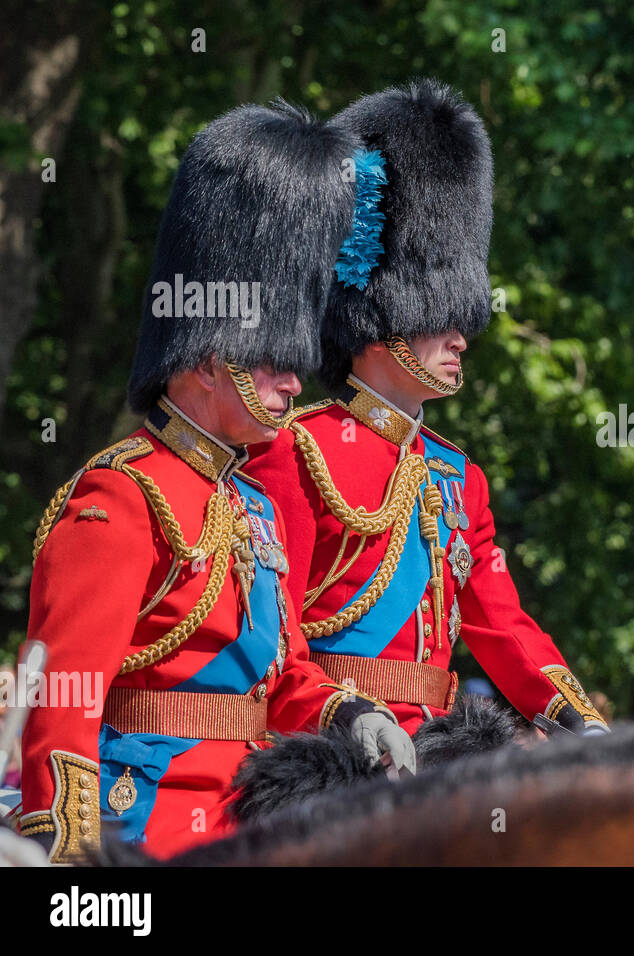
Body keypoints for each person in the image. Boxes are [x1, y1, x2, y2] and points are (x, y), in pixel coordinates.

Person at [18, 101, 413, 862]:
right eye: (273, 359)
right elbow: (62, 698)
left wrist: (350, 712)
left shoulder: (252, 506)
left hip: (252, 820)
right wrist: (68, 851)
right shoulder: (120, 498)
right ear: (205, 359)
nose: (295, 383)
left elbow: (286, 672)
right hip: (139, 828)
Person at [244, 79, 608, 738]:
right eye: (439, 316)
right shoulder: (294, 449)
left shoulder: (457, 475)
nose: (461, 336)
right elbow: (275, 633)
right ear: (380, 317)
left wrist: (577, 718)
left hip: (438, 748)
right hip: (332, 746)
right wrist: (344, 718)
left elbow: (503, 627)